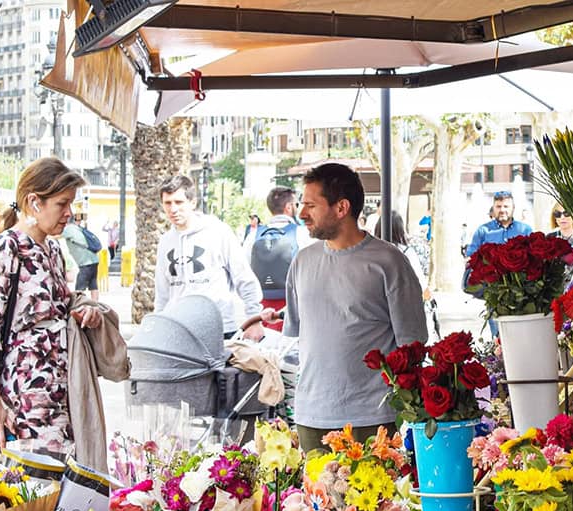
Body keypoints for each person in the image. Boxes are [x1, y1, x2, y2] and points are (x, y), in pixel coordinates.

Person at [260, 163, 427, 453]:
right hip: (311, 414)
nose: (301, 214)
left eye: (311, 205)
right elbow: (301, 332)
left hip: (372, 415)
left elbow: (412, 343)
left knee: (375, 499)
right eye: (302, 204)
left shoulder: (389, 262)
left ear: (341, 208)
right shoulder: (302, 262)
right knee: (314, 498)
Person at [0, 157, 104, 455]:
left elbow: (59, 308)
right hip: (25, 400)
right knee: (35, 491)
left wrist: (85, 313)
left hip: (61, 393)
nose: (69, 213)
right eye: (62, 204)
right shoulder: (6, 248)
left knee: (65, 490)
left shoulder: (53, 249)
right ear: (34, 202)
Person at [154, 175, 266, 341]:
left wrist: (255, 319)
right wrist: (158, 326)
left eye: (179, 202)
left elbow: (244, 278)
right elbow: (162, 292)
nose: (173, 209)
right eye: (167, 203)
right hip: (179, 331)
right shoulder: (166, 241)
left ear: (192, 202)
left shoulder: (218, 232)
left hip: (218, 329)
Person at [464, 191, 532, 336]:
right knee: (498, 335)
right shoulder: (483, 231)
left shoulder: (525, 229)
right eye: (498, 206)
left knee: (521, 331)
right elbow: (471, 257)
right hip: (494, 290)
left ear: (513, 208)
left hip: (521, 289)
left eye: (506, 206)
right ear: (493, 208)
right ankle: (499, 355)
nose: (502, 210)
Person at [250, 187, 314, 331]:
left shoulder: (253, 235)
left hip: (262, 306)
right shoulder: (301, 233)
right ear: (289, 207)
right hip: (292, 305)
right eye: (297, 205)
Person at [62, 214, 101, 301]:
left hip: (85, 262)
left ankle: (79, 304)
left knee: (80, 287)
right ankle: (95, 303)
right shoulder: (77, 228)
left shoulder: (67, 229)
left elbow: (54, 235)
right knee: (93, 283)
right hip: (94, 259)